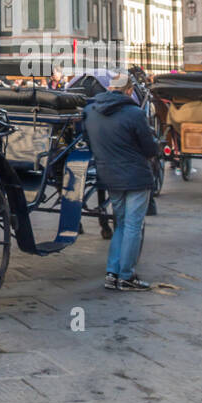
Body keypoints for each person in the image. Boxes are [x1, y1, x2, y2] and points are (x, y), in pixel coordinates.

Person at [81, 71, 158, 291]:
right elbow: (149, 148)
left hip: (110, 176)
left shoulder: (90, 111)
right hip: (135, 177)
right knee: (133, 225)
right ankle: (126, 275)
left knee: (121, 224)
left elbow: (88, 139)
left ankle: (112, 273)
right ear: (129, 91)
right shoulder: (134, 113)